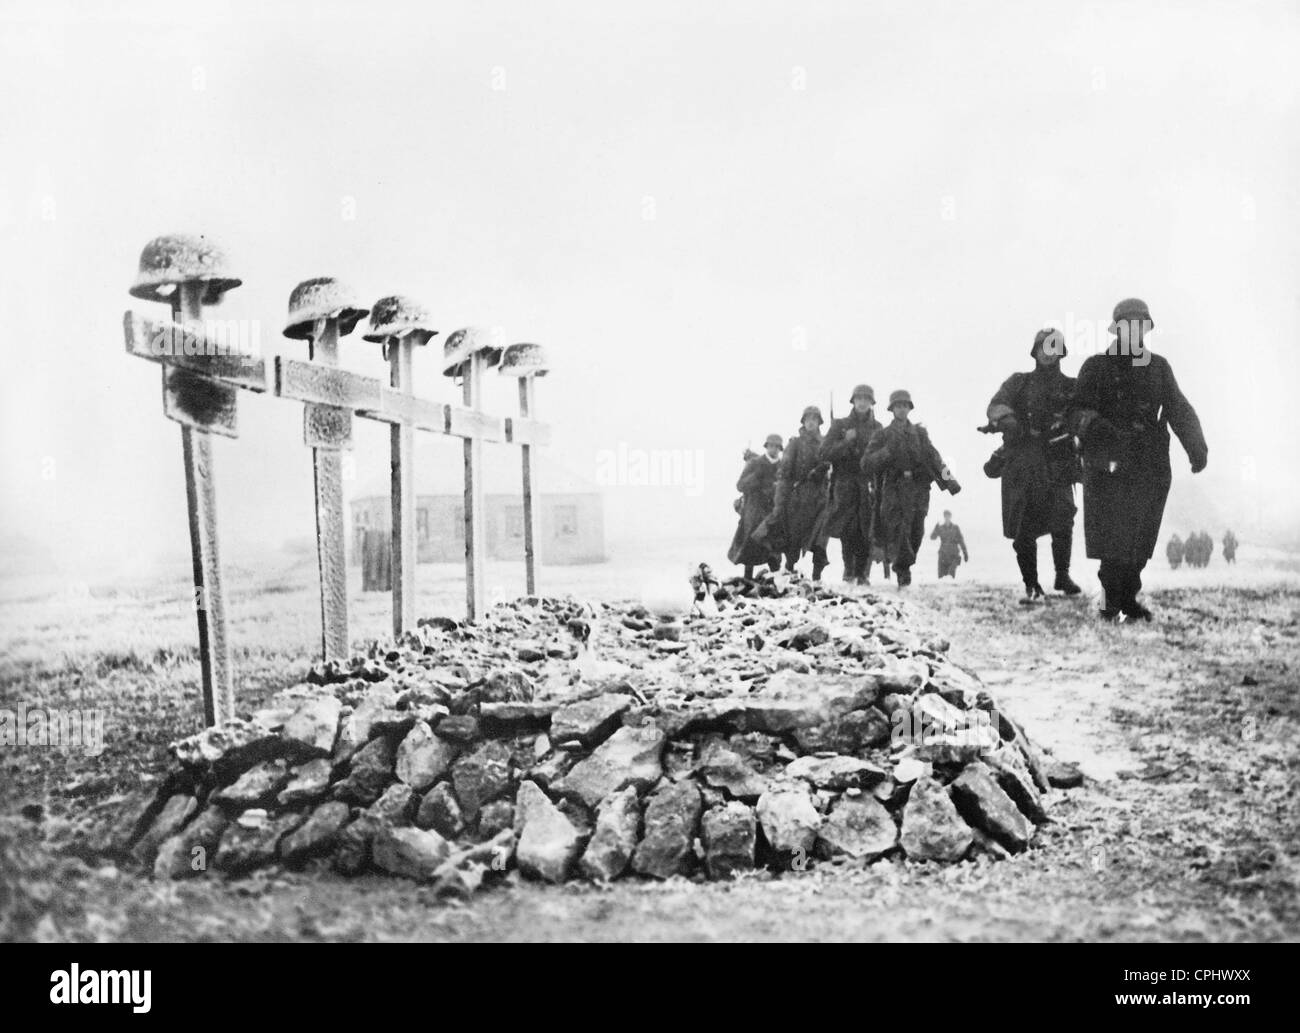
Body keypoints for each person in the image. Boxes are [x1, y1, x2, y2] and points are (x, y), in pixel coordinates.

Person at [1070, 298, 1207, 621]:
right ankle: (1110, 603)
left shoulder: (1158, 367)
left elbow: (1178, 408)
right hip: (1109, 466)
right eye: (1127, 325)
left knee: (1140, 540)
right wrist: (1096, 426)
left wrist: (1196, 445)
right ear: (1116, 330)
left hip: (1150, 466)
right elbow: (1074, 411)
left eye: (1140, 325)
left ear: (1146, 329)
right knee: (1113, 541)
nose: (1134, 331)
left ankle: (1128, 599)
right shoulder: (1096, 367)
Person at [985, 328, 1083, 601]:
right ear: (1035, 351)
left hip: (1058, 460)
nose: (1048, 353)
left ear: (1061, 352)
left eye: (1054, 348)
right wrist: (1009, 421)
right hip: (1024, 460)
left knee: (1063, 515)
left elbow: (1085, 411)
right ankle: (1032, 584)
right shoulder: (1019, 383)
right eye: (1044, 348)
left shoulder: (1072, 386)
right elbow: (996, 405)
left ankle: (1062, 576)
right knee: (1024, 523)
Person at [861, 390, 962, 588]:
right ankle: (903, 573)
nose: (901, 409)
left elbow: (934, 458)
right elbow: (866, 463)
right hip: (894, 490)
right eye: (898, 405)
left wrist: (950, 482)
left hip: (918, 491)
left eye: (905, 405)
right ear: (892, 409)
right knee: (899, 532)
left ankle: (903, 565)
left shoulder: (920, 434)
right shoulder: (883, 435)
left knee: (916, 532)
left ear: (909, 408)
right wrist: (886, 452)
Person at [820, 384, 882, 585]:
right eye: (859, 399)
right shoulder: (840, 425)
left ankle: (862, 573)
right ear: (853, 401)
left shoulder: (878, 428)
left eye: (866, 399)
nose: (862, 402)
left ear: (871, 403)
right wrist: (845, 442)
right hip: (844, 482)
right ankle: (849, 570)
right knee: (847, 528)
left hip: (867, 483)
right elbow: (824, 453)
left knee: (866, 527)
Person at [773, 405, 831, 580]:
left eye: (814, 419)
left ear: (819, 422)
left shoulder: (826, 442)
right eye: (808, 419)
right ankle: (789, 571)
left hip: (821, 498)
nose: (811, 422)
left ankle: (817, 577)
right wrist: (781, 500)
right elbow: (784, 473)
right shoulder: (795, 444)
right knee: (794, 539)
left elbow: (833, 461)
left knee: (821, 538)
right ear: (803, 422)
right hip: (799, 498)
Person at [727, 434, 783, 579]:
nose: (774, 449)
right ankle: (747, 581)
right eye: (771, 446)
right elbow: (740, 485)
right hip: (754, 510)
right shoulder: (755, 463)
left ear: (780, 449)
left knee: (773, 547)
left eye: (776, 447)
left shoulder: (782, 466)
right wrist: (757, 478)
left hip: (772, 512)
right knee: (749, 547)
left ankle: (778, 582)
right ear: (766, 446)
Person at [930, 510, 969, 578]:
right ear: (944, 517)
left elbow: (961, 541)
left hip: (953, 555)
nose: (947, 518)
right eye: (945, 516)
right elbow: (932, 537)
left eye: (948, 516)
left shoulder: (955, 528)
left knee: (950, 576)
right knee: (941, 577)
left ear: (950, 517)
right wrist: (935, 529)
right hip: (943, 555)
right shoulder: (940, 528)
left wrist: (965, 553)